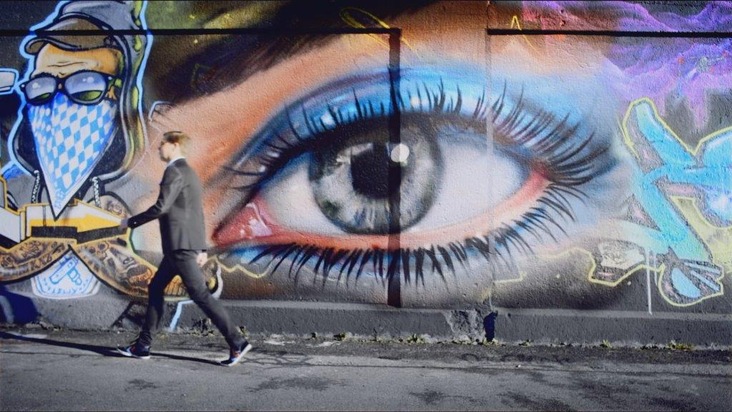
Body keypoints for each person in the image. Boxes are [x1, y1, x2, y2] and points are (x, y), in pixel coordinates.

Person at [117, 130, 252, 367]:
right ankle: (142, 346)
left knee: (200, 294)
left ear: (175, 145)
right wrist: (201, 247)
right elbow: (196, 212)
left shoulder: (174, 171)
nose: (159, 148)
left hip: (180, 248)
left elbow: (161, 207)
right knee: (156, 288)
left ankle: (237, 341)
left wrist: (131, 222)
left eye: (163, 144)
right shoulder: (189, 173)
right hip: (180, 247)